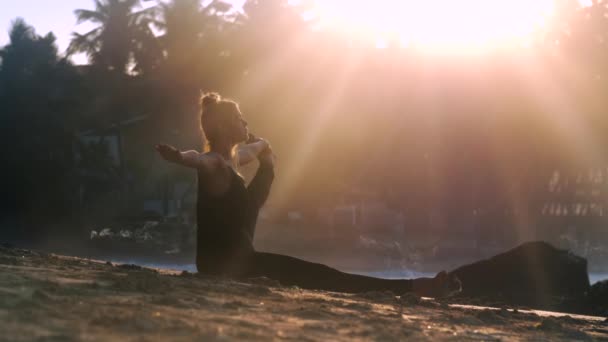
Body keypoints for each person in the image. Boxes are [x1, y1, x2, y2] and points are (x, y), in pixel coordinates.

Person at [156, 92, 460, 297]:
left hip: (239, 259)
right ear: (223, 125)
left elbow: (255, 148)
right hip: (223, 265)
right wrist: (177, 157)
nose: (245, 122)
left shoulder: (232, 159)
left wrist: (264, 147)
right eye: (239, 117)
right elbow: (196, 157)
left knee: (267, 170)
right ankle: (414, 287)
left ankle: (413, 286)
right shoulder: (214, 163)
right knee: (319, 274)